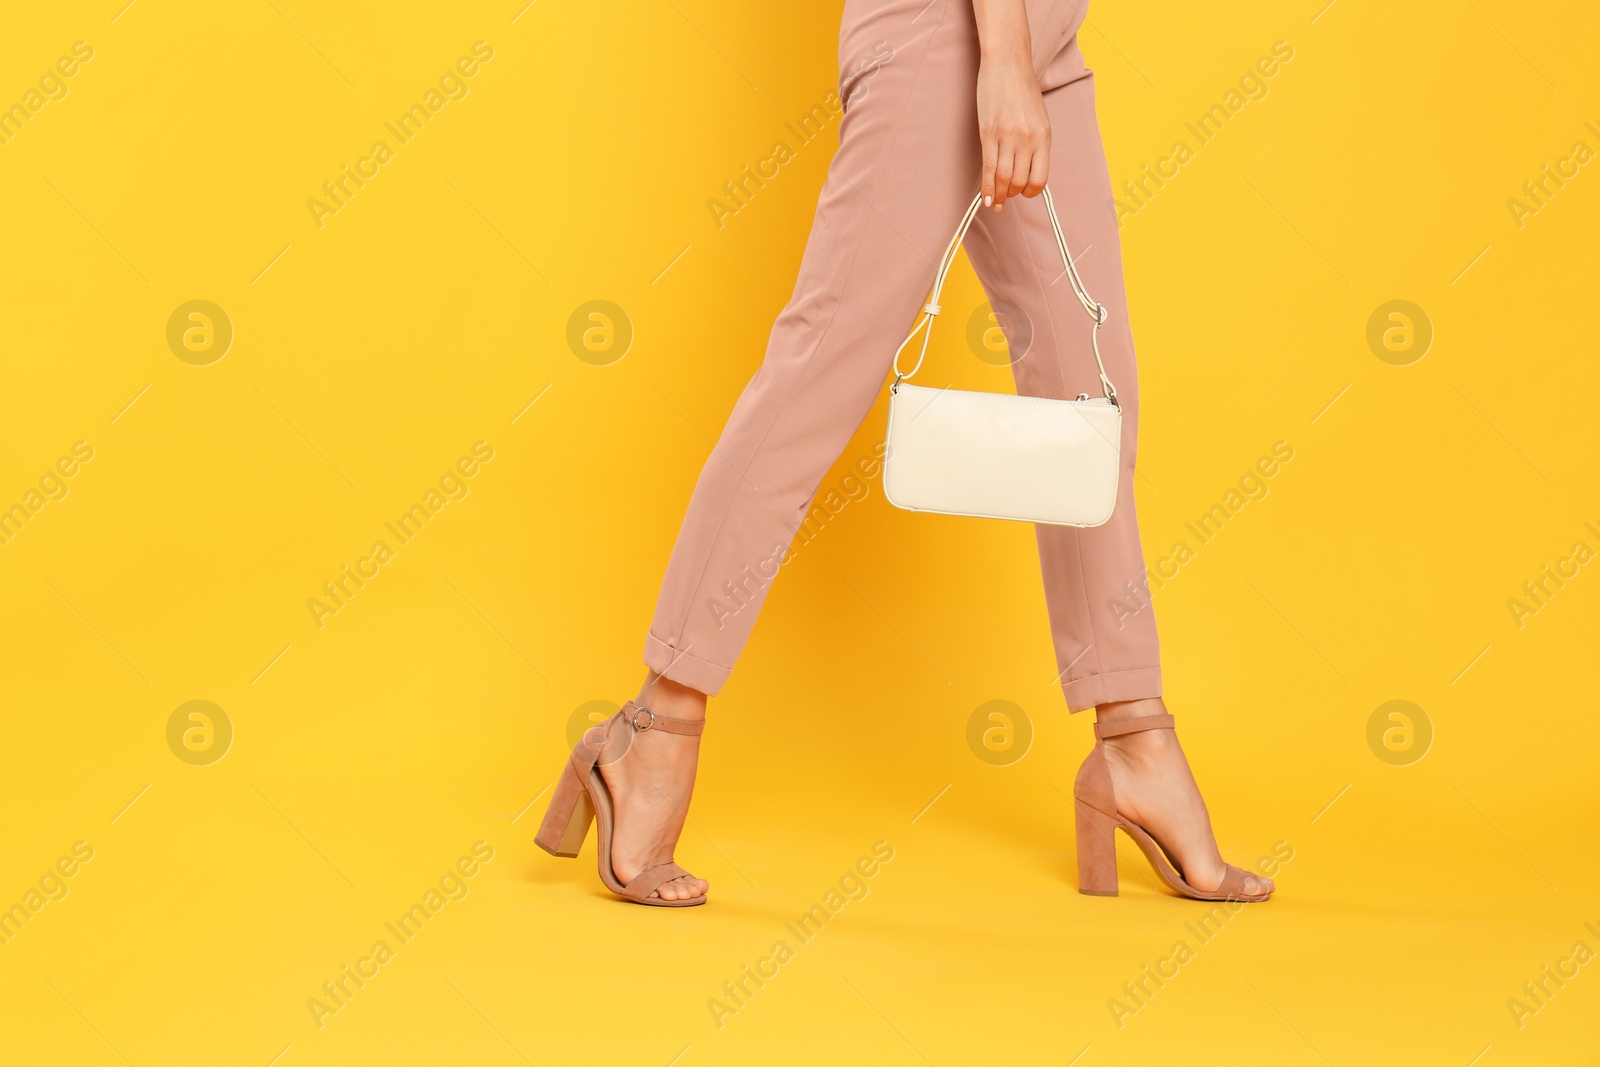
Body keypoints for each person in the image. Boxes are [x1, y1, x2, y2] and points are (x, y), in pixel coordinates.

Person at [537, 0, 1276, 907]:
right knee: (821, 369)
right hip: (946, 30)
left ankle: (1134, 739)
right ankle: (656, 724)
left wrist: (1026, 47)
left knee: (1091, 395)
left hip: (1041, 36)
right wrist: (1000, 55)